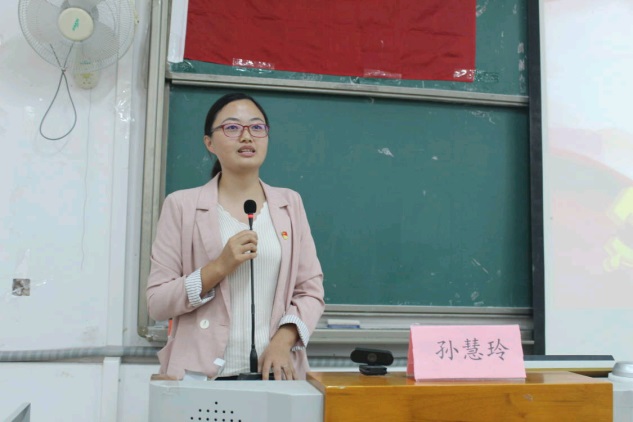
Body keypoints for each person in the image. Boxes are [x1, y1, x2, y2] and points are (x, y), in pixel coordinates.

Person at [147, 92, 325, 381]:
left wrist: (283, 341)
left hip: (275, 375)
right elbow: (157, 302)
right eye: (232, 127)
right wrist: (218, 267)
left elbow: (310, 292)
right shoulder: (181, 206)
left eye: (256, 127)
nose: (246, 136)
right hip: (200, 378)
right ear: (209, 143)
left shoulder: (289, 204)